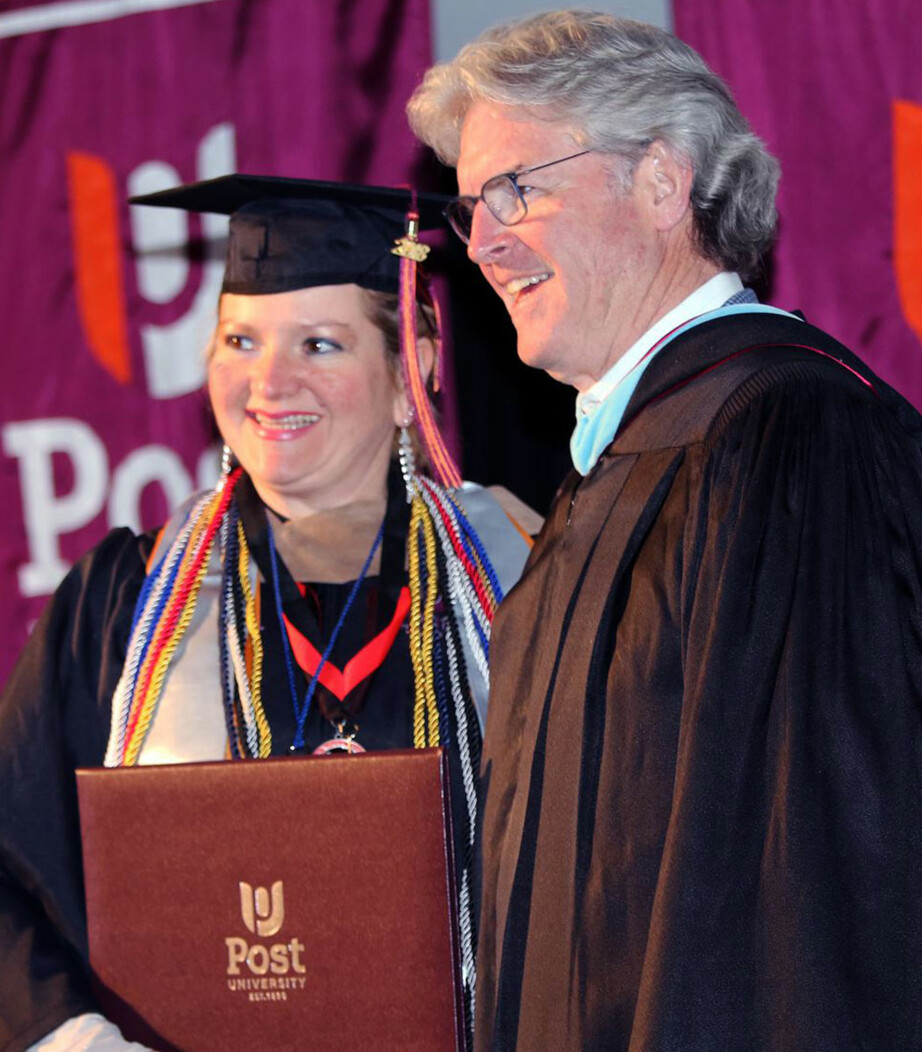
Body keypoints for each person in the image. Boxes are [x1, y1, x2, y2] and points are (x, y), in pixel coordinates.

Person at [407, 10, 922, 1051]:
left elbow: (809, 908)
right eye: (471, 207)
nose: (486, 241)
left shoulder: (789, 437)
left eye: (518, 188)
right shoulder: (610, 477)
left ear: (659, 180)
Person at [0, 176, 533, 1051]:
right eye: (239, 340)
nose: (268, 380)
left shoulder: (520, 580)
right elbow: (12, 864)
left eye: (320, 344)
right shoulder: (124, 607)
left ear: (412, 376)